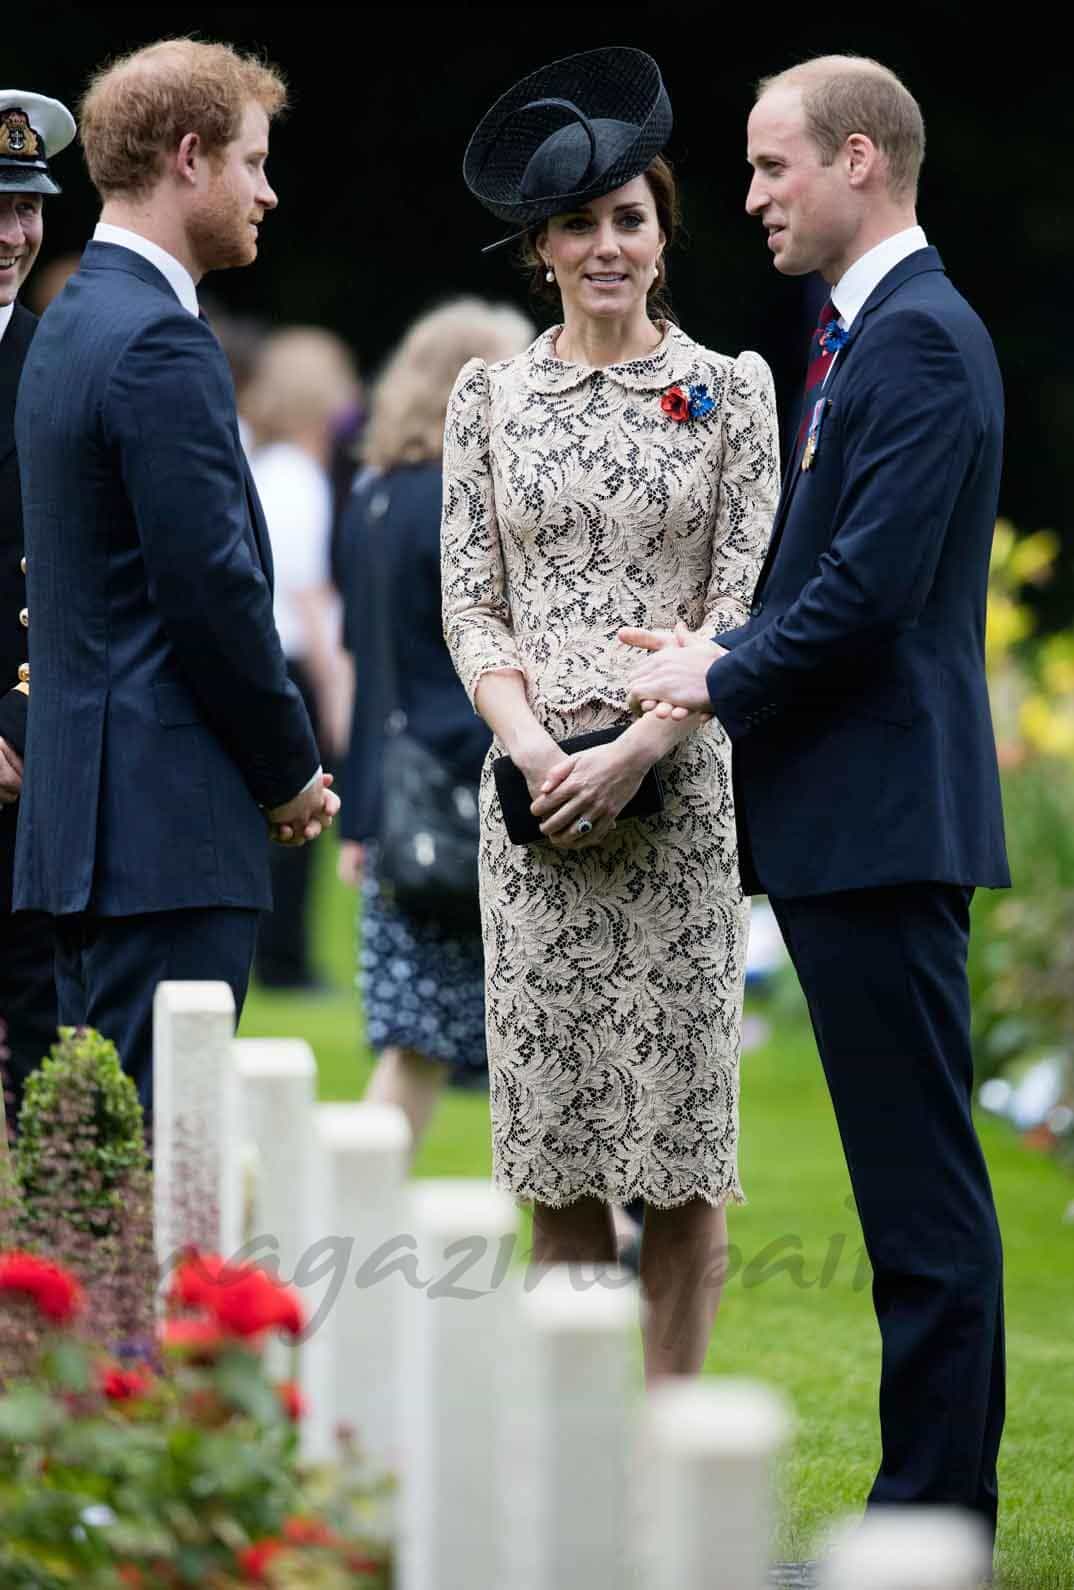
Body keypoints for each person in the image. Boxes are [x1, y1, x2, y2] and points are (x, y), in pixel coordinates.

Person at [626, 56, 1006, 1545]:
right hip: (855, 817)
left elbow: (865, 597)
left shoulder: (916, 341)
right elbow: (834, 585)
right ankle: (929, 1494)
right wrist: (719, 643)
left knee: (919, 1189)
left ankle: (935, 1506)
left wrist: (711, 678)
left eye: (769, 165)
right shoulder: (872, 332)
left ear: (858, 159)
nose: (749, 196)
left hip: (884, 821)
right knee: (905, 1176)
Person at [444, 48, 778, 1381]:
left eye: (626, 217)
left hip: (678, 794)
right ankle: (577, 1455)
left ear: (660, 231)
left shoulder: (730, 388)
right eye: (576, 222)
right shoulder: (490, 398)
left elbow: (744, 607)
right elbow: (473, 608)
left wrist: (640, 744)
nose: (604, 244)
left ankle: (669, 1438)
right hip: (534, 817)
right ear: (539, 244)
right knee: (561, 1144)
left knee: (682, 1156)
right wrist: (535, 755)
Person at [13, 40, 338, 1117]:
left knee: (90, 1170)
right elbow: (211, 594)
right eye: (253, 162)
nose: (269, 191)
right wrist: (290, 771)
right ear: (189, 159)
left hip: (83, 834)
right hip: (164, 836)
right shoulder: (156, 338)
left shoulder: (67, 324)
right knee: (148, 1173)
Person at [338, 297, 533, 1151]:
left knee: (413, 1038)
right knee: (550, 1029)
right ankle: (614, 1232)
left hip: (398, 799)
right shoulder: (463, 500)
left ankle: (355, 1216)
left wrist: (363, 812)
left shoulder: (371, 499)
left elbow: (363, 665)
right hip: (468, 790)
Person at [0, 91, 76, 1126]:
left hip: (26, 771)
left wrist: (16, 728)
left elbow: (75, 568)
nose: (12, 233)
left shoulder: (61, 359)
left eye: (24, 206)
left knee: (42, 1060)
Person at [243, 326, 360, 991]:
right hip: (293, 662)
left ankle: (278, 955)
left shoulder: (265, 468)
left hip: (273, 656)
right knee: (300, 812)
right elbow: (312, 599)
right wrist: (339, 695)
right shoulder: (298, 479)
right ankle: (286, 962)